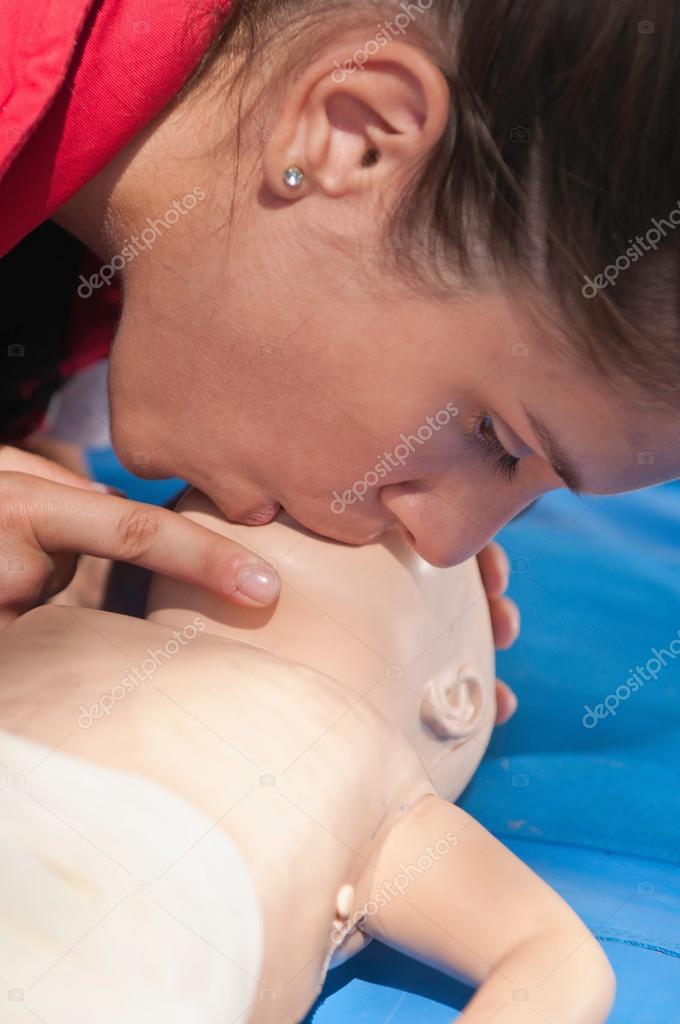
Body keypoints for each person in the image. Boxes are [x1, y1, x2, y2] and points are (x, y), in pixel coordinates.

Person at [1, 2, 678, 659]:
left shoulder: (158, 267)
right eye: (495, 439)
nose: (445, 546)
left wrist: (79, 568)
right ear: (356, 141)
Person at [0, 499, 615, 1023]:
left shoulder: (385, 791)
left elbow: (552, 958)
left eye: (380, 528)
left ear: (456, 700)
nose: (297, 496)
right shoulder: (64, 625)